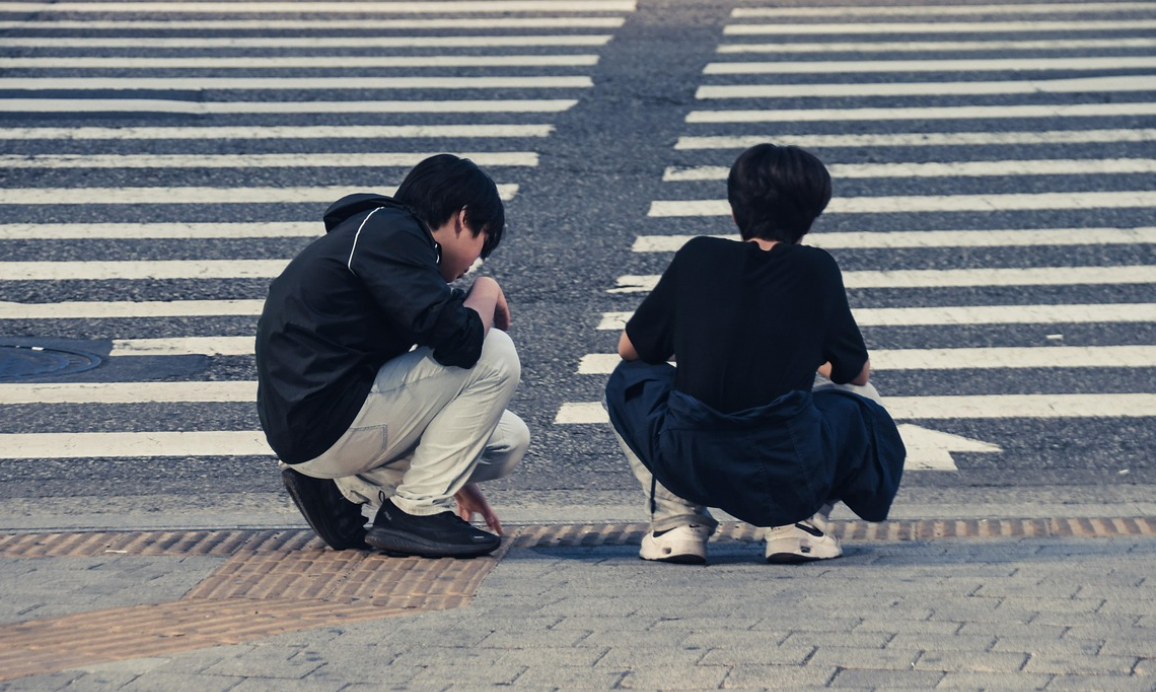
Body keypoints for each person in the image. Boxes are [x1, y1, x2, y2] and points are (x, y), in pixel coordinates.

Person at [604, 143, 905, 565]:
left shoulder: (698, 256)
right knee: (862, 401)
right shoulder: (816, 269)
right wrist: (804, 348)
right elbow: (855, 374)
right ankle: (798, 526)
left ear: (734, 210)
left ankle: (677, 522)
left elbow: (630, 350)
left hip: (690, 457)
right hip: (789, 466)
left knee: (627, 380)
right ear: (812, 216)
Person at [256, 154, 529, 558]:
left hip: (317, 426)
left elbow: (435, 364)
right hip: (326, 422)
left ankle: (341, 488)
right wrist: (486, 288)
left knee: (507, 440)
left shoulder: (382, 236)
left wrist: (453, 476)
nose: (474, 261)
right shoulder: (393, 233)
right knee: (495, 352)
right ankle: (417, 511)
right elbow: (464, 342)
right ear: (462, 218)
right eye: (482, 243)